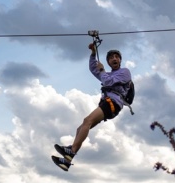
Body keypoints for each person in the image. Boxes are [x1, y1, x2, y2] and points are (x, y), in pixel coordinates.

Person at [51, 43, 132, 171]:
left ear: (120, 60)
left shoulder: (124, 72)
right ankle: (67, 161)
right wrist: (93, 54)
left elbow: (107, 81)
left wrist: (102, 70)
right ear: (109, 62)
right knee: (81, 128)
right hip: (107, 103)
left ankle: (71, 152)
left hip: (113, 103)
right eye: (111, 58)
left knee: (86, 121)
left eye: (117, 57)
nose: (114, 59)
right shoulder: (107, 73)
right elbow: (94, 69)